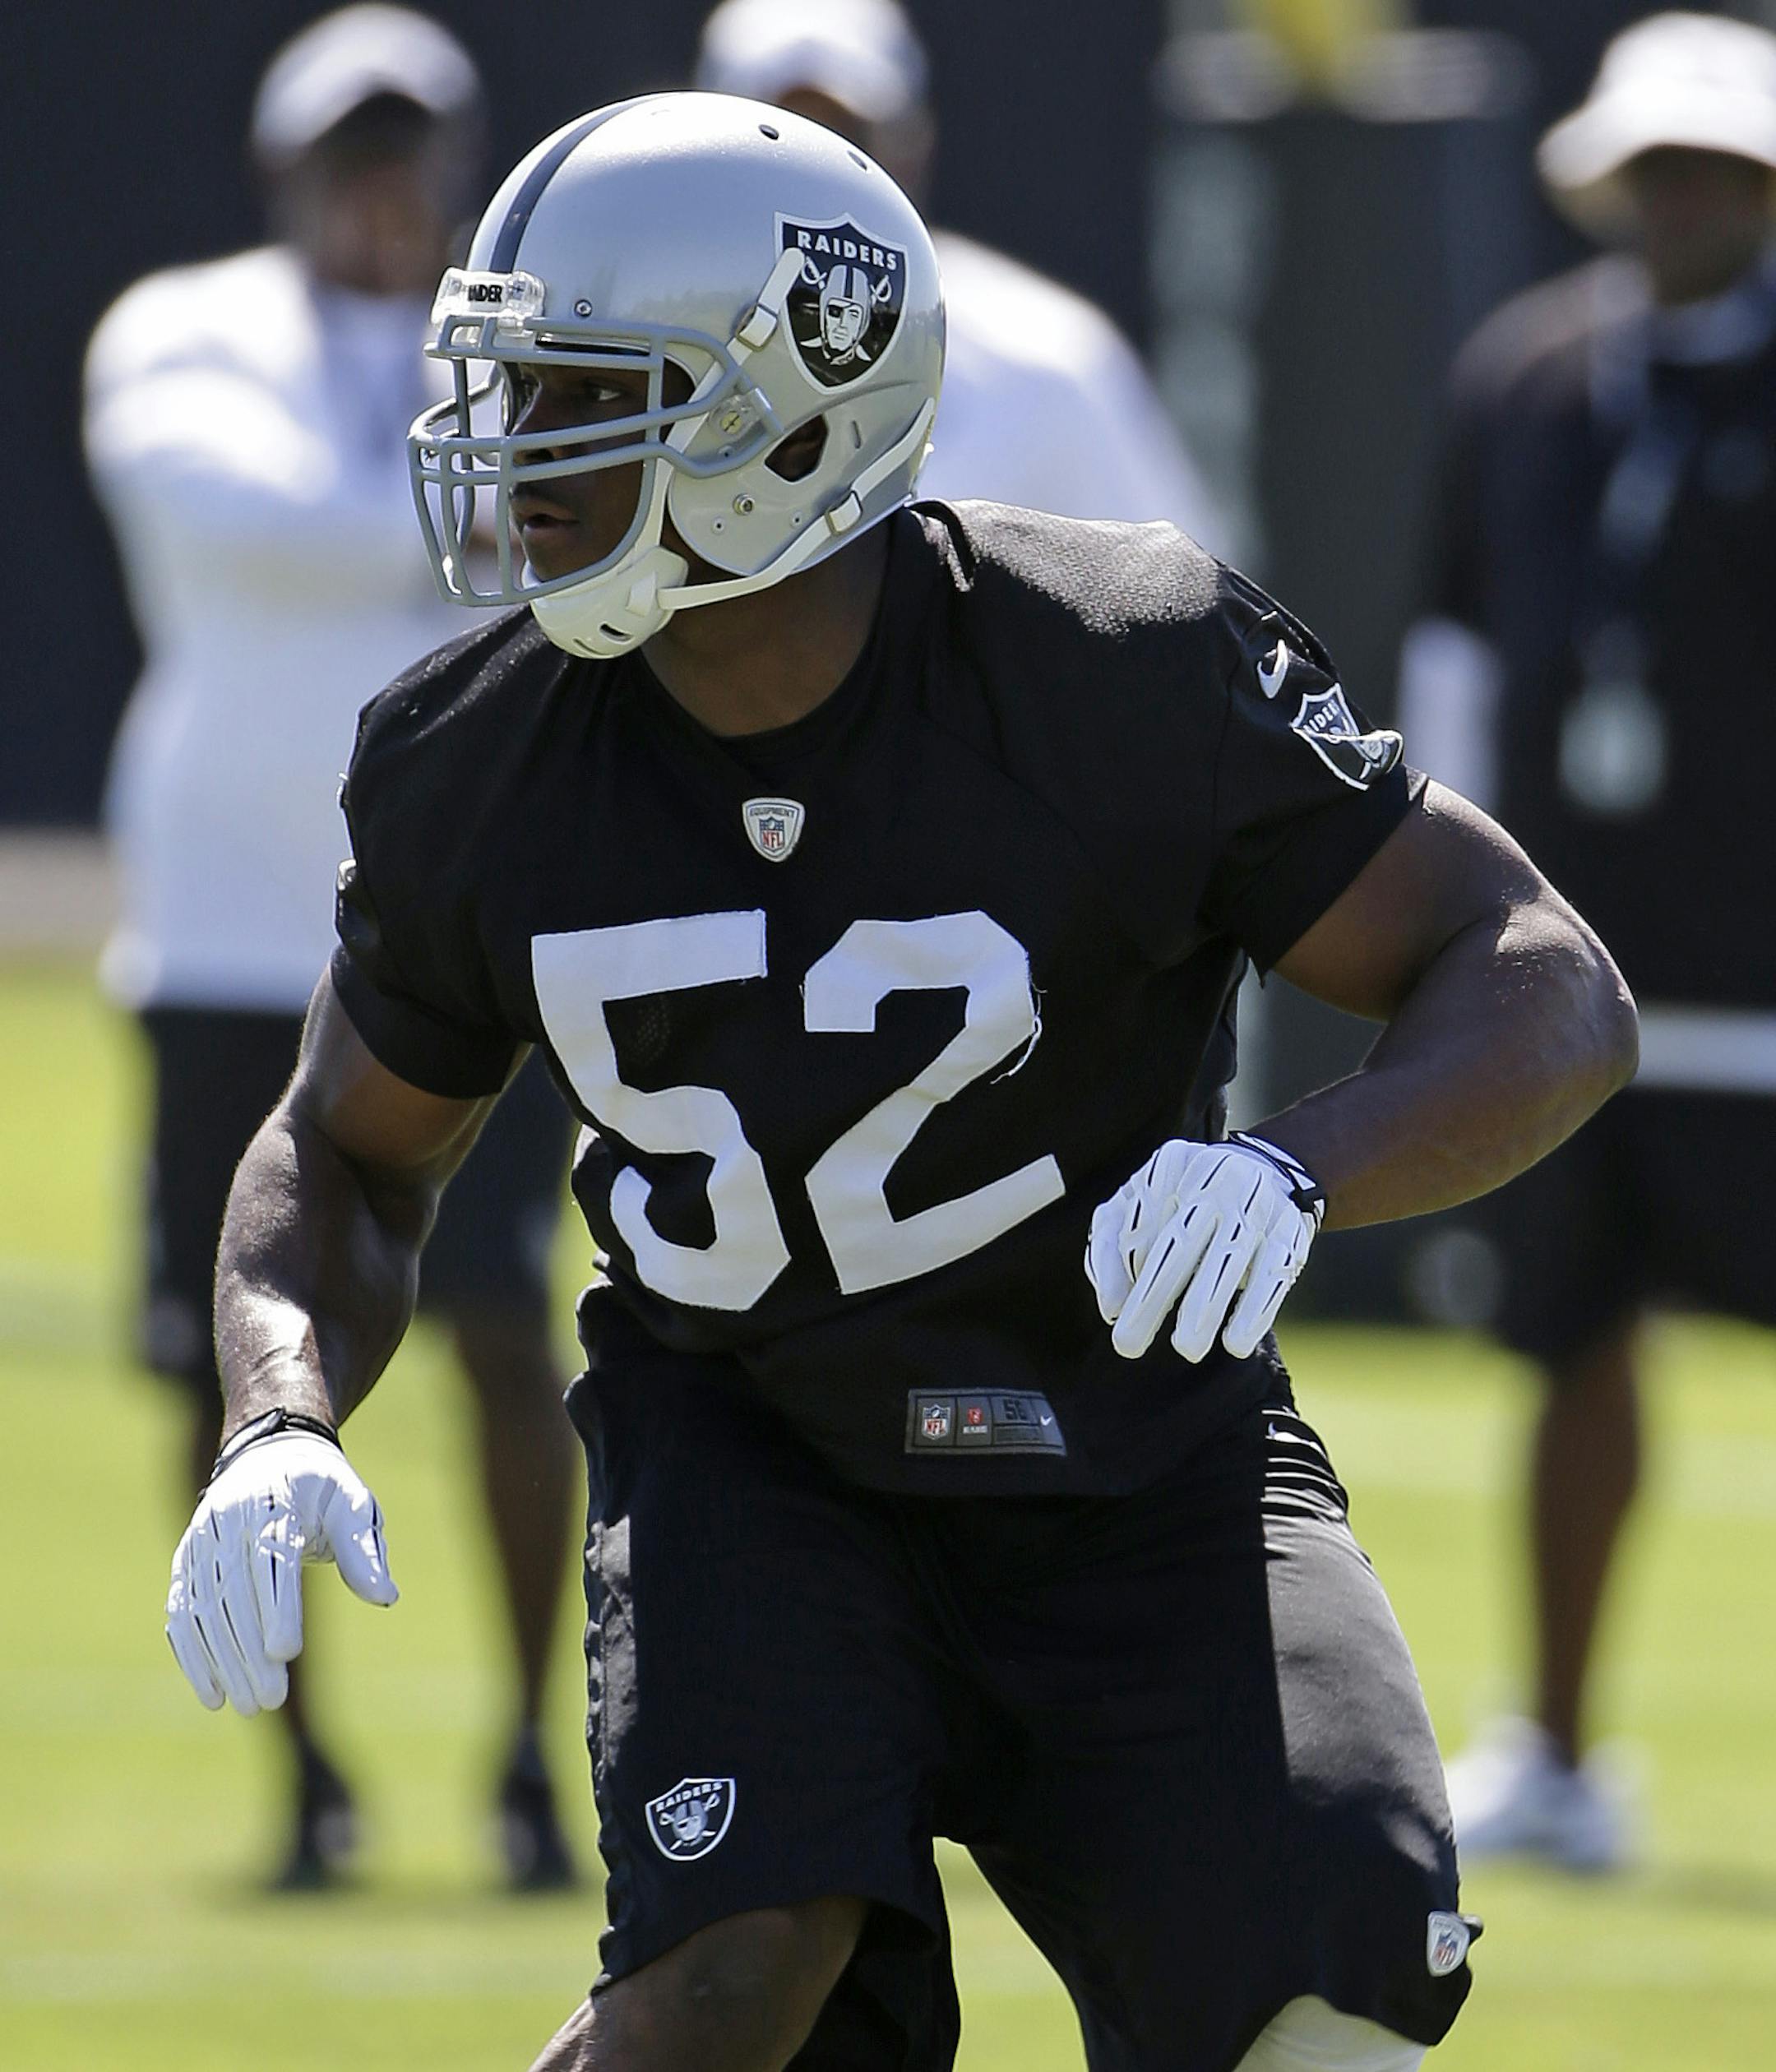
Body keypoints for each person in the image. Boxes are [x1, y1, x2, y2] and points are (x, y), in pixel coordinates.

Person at [163, 94, 1635, 2071]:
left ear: (786, 413)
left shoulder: (1108, 661)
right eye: (504, 392)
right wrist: (277, 1411)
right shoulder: (475, 761)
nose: (510, 458)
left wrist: (1298, 1167)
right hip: (755, 1457)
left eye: (578, 394)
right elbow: (347, 1153)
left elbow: (1541, 978)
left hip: (1138, 1465)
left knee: (1324, 2020)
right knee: (724, 1996)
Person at [87, 5, 579, 1889]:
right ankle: (301, 1777)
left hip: (465, 922)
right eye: (347, 158)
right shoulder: (182, 325)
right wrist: (469, 513)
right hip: (224, 924)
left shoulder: (515, 325)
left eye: (408, 155)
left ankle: (532, 1762)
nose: (381, 195)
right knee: (222, 1343)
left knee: (497, 1329)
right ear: (286, 171)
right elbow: (240, 511)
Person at [1399, 10, 1776, 1874]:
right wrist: (1448, 924)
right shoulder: (1525, 376)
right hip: (1578, 981)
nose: (1685, 199)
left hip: (1765, 980)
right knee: (1569, 1345)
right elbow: (1455, 651)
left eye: (1720, 168)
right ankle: (1550, 1751)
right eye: (1659, 168)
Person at [694, 0, 1225, 541]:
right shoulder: (633, 350)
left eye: (846, 145)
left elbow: (1179, 597)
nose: (815, 194)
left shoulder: (1049, 363)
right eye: (776, 148)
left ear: (911, 148)